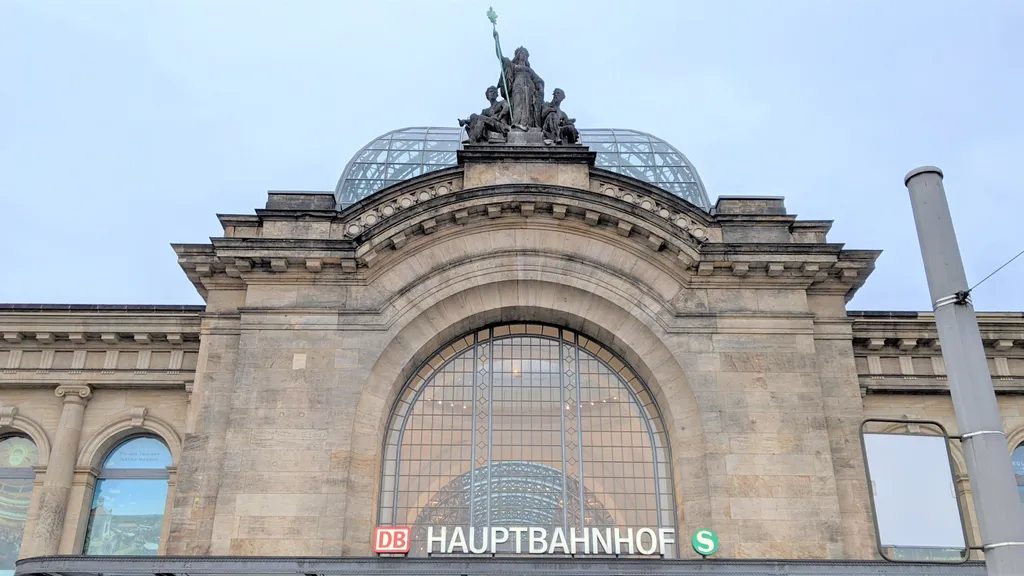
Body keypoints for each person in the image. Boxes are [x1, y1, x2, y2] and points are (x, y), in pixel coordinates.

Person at [498, 47, 544, 130]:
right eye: (521, 53)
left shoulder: (530, 70)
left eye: (525, 54)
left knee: (528, 105)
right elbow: (500, 57)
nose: (523, 55)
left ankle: (527, 125)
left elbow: (538, 79)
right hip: (518, 85)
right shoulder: (513, 66)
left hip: (530, 87)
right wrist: (496, 39)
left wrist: (540, 86)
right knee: (518, 102)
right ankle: (516, 123)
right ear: (518, 55)